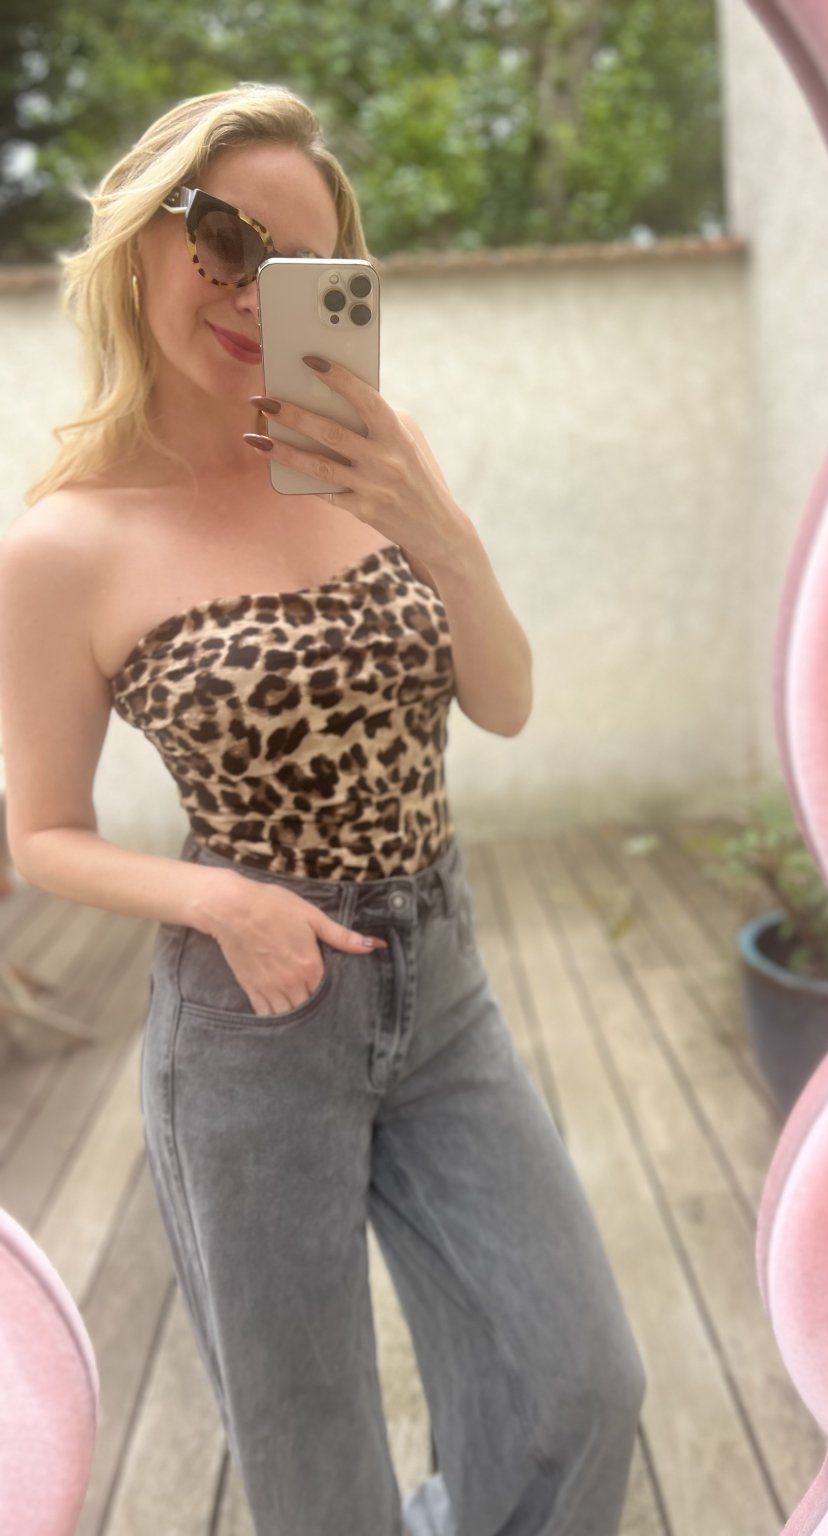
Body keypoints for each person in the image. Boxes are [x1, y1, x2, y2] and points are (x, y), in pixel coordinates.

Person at [0, 82, 646, 1536]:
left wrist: (440, 529)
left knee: (578, 1386)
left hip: (446, 987)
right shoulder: (64, 547)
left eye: (302, 267)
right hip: (254, 1023)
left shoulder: (371, 452)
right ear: (144, 235)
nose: (253, 293)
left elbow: (504, 702)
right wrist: (220, 899)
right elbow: (41, 836)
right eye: (226, 239)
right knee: (313, 1467)